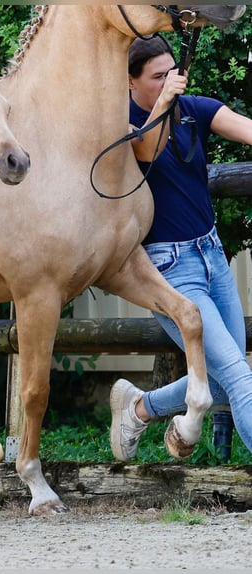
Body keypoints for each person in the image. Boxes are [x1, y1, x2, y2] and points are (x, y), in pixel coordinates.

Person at [110, 34, 252, 461]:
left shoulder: (193, 110)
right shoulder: (122, 122)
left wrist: (172, 100)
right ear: (130, 81)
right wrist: (162, 103)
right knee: (240, 378)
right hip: (170, 269)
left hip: (211, 258)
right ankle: (142, 408)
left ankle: (139, 407)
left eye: (173, 72)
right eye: (157, 76)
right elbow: (146, 152)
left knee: (228, 377)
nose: (170, 81)